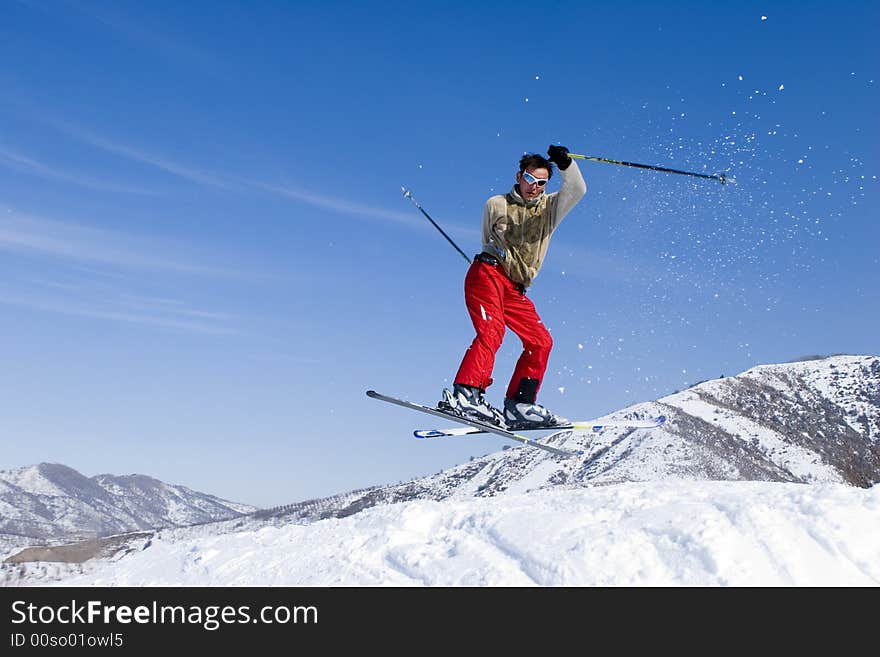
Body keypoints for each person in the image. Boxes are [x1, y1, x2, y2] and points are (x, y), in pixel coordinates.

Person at [439, 145, 587, 429]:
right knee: (492, 332)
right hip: (488, 274)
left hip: (515, 288)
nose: (534, 187)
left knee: (540, 341)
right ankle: (466, 393)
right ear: (519, 176)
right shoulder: (497, 204)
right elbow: (487, 239)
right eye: (529, 179)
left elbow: (578, 189)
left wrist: (566, 164)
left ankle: (520, 405)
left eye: (541, 182)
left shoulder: (551, 209)